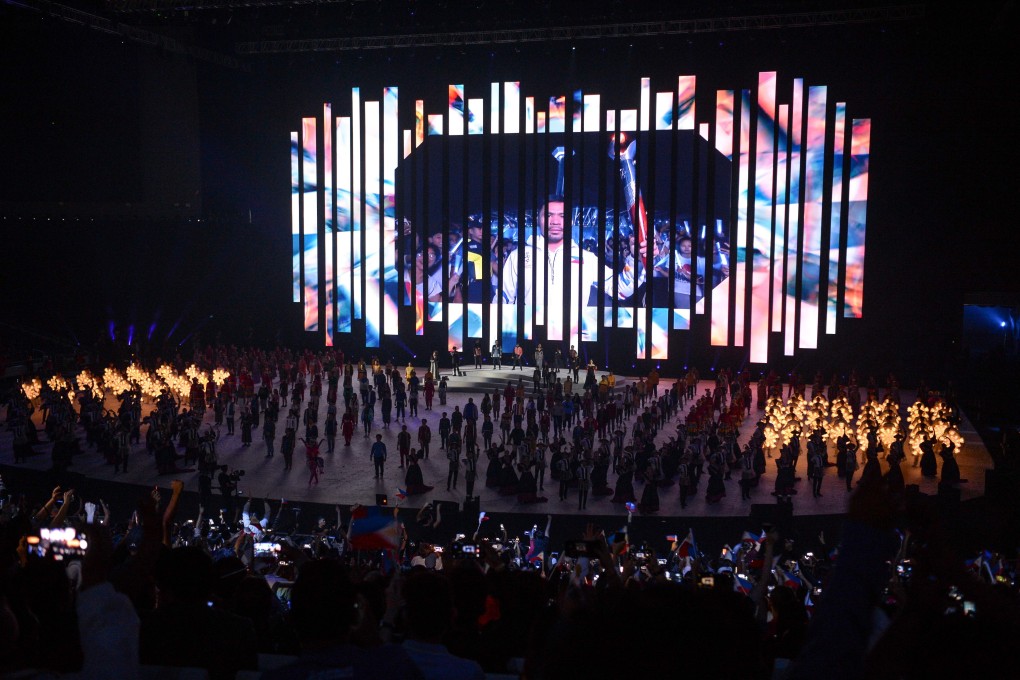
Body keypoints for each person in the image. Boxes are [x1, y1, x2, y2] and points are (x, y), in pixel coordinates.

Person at [500, 199, 635, 342]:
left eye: (562, 216)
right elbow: (502, 299)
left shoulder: (586, 258)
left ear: (570, 221)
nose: (555, 221)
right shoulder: (518, 256)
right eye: (548, 215)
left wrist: (635, 259)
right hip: (529, 339)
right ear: (538, 219)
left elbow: (620, 289)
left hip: (572, 340)